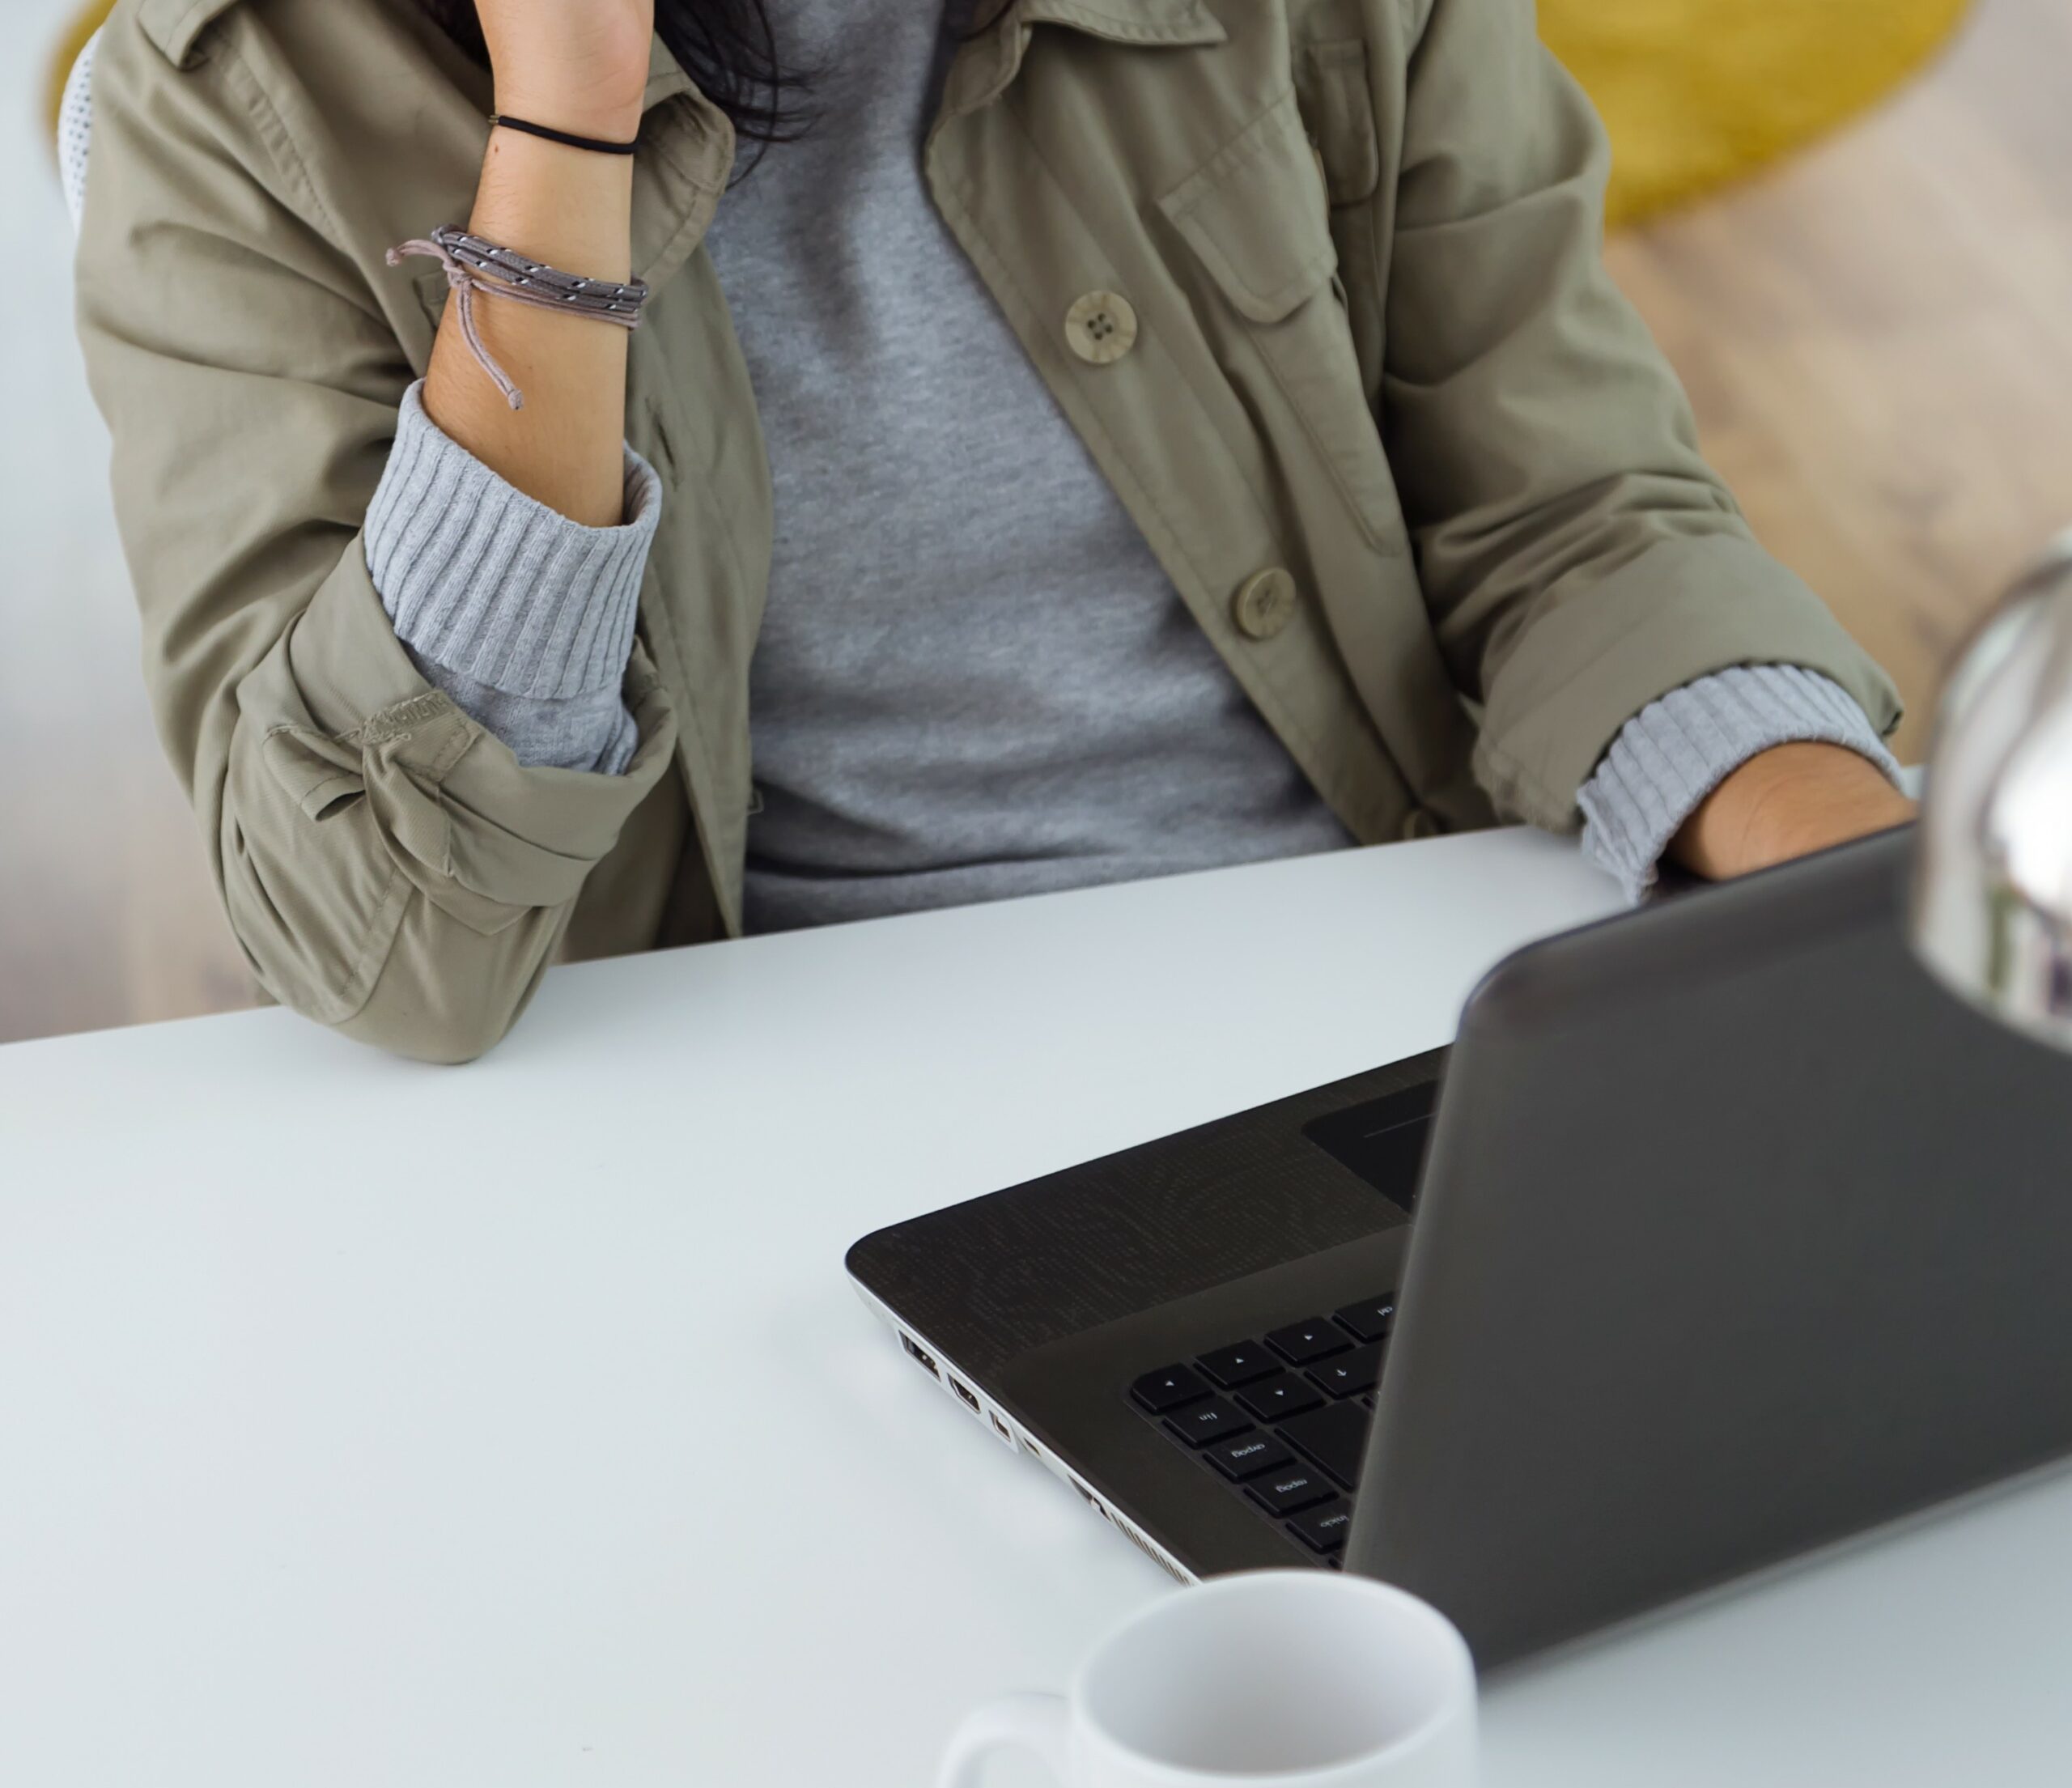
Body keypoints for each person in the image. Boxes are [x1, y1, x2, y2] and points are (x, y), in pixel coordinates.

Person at [73, 0, 1913, 1064]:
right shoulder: (226, 96)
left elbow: (1573, 512)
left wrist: (1874, 925)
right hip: (786, 1097)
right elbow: (385, 939)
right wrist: (561, 128)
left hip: (1382, 992)